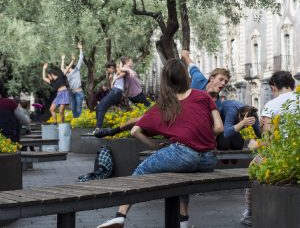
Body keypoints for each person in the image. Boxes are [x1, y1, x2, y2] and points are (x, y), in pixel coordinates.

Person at [97, 58, 224, 228]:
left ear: (166, 81)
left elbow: (135, 131)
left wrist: (154, 146)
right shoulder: (202, 95)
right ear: (186, 77)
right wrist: (201, 137)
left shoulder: (164, 105)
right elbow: (219, 128)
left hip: (183, 155)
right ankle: (184, 223)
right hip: (209, 159)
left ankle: (120, 215)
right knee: (183, 176)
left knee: (141, 170)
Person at [240, 70, 298, 226]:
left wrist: (255, 144)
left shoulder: (272, 105)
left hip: (282, 157)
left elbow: (268, 141)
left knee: (253, 167)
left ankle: (250, 213)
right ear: (292, 85)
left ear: (273, 87)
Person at [94, 61, 124, 135]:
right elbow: (111, 87)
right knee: (98, 107)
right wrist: (110, 79)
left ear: (111, 67)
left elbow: (124, 73)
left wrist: (114, 79)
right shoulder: (113, 74)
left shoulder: (118, 70)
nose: (107, 71)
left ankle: (98, 129)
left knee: (101, 108)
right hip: (114, 91)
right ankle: (98, 128)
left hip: (117, 91)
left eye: (108, 69)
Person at [61, 42, 85, 118]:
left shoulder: (76, 70)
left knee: (78, 108)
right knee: (73, 109)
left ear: (70, 67)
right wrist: (63, 59)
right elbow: (62, 69)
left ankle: (80, 121)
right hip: (71, 92)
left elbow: (81, 59)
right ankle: (76, 122)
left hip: (78, 92)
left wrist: (81, 49)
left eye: (67, 67)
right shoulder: (67, 74)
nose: (66, 68)